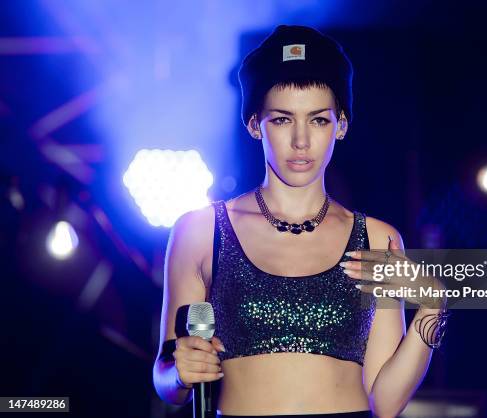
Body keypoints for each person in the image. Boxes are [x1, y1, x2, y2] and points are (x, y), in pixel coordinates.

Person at [153, 25, 448, 418]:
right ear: (254, 123)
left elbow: (386, 403)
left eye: (318, 120)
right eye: (281, 119)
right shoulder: (200, 231)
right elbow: (167, 377)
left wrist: (433, 307)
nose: (301, 141)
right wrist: (179, 374)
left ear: (341, 125)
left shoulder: (377, 239)